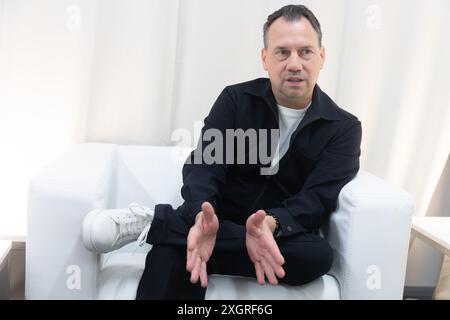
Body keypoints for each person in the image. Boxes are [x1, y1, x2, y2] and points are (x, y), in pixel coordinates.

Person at [82, 4, 362, 300]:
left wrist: (270, 223)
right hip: (215, 216)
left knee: (316, 256)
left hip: (278, 233)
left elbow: (317, 199)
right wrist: (204, 215)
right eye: (282, 52)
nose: (294, 63)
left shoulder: (343, 128)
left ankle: (159, 225)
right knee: (174, 252)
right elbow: (205, 166)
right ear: (265, 58)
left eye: (305, 51)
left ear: (322, 56)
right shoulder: (236, 100)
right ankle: (190, 234)